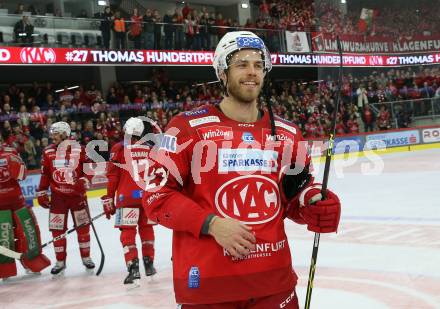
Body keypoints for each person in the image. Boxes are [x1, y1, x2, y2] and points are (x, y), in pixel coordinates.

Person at [142, 31, 341, 308]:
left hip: (275, 284)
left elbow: (293, 196)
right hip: (210, 289)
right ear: (222, 73)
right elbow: (156, 195)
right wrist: (211, 224)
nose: (252, 72)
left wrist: (316, 202)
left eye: (258, 65)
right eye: (242, 64)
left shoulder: (287, 132)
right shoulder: (184, 127)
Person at [101, 117, 157, 286]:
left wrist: (109, 197)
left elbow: (113, 176)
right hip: (147, 197)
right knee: (146, 229)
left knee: (127, 232)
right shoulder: (150, 149)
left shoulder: (119, 148)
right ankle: (149, 264)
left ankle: (133, 268)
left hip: (126, 199)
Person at [36, 121, 95, 276]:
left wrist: (86, 179)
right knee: (57, 230)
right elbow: (45, 174)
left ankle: (86, 258)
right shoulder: (48, 151)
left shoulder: (80, 150)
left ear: (64, 134)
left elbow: (89, 168)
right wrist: (41, 191)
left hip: (77, 198)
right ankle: (60, 261)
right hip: (58, 199)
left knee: (83, 229)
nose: (52, 136)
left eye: (55, 133)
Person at [0, 140, 50, 279]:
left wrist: (18, 167)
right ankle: (4, 269)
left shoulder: (11, 152)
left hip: (17, 202)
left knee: (29, 233)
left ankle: (32, 262)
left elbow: (22, 175)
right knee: (4, 238)